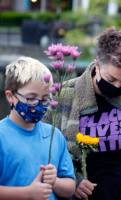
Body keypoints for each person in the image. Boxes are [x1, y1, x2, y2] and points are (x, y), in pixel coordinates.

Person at [48, 29, 121, 200]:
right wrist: (73, 180)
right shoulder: (64, 96)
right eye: (111, 79)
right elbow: (46, 148)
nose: (117, 86)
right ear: (97, 64)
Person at [0, 56, 75, 200]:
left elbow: (70, 187)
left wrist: (55, 182)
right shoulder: (2, 136)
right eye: (31, 98)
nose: (39, 104)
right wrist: (28, 193)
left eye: (45, 98)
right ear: (10, 96)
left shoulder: (54, 135)